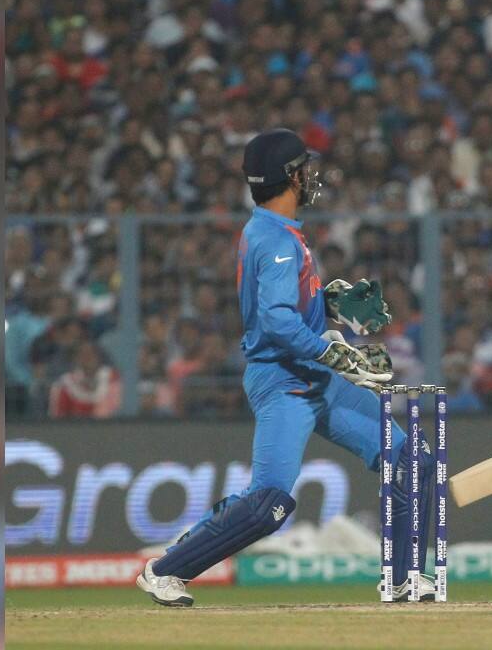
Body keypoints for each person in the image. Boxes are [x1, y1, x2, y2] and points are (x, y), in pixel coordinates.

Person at [135, 128, 432, 607]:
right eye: (304, 169)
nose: (310, 176)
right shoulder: (275, 239)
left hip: (316, 379)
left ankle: (402, 579)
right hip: (285, 382)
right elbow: (275, 321)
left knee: (409, 460)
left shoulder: (273, 231)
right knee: (269, 503)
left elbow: (286, 306)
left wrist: (328, 302)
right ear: (290, 176)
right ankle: (165, 571)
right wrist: (334, 352)